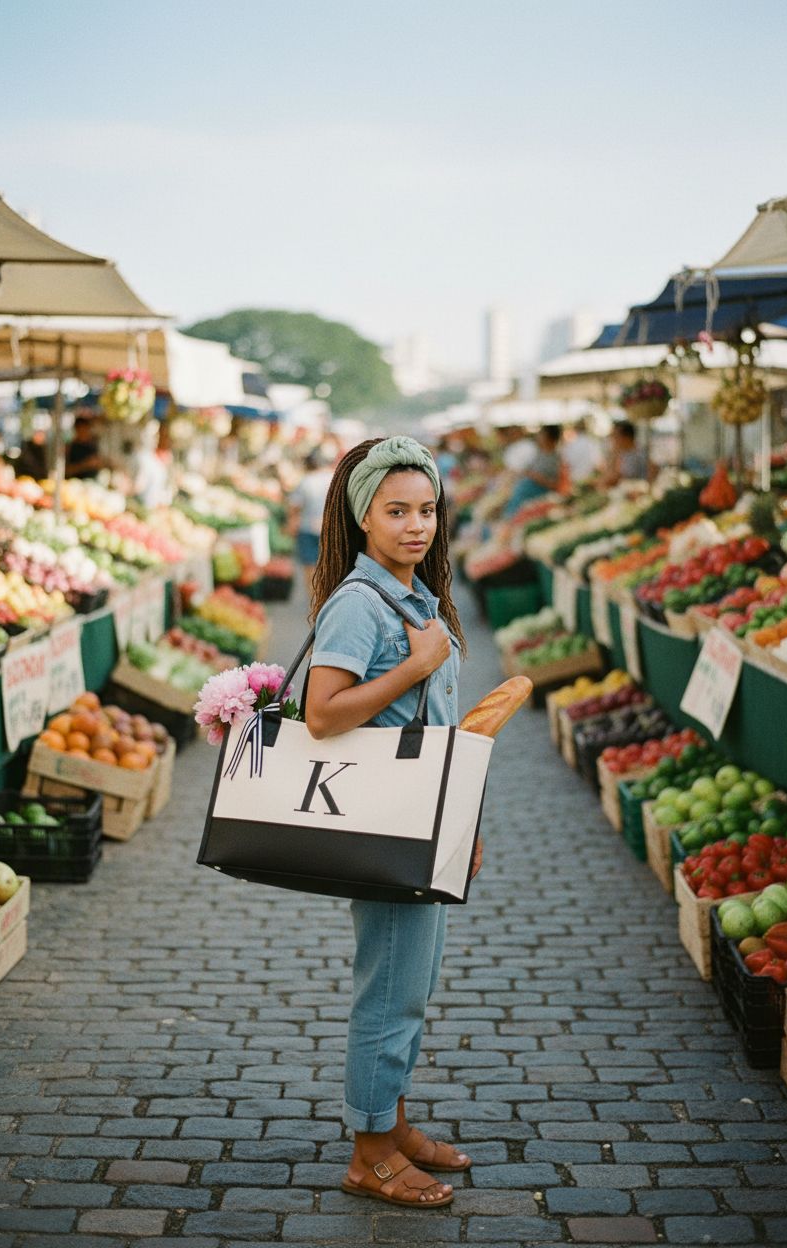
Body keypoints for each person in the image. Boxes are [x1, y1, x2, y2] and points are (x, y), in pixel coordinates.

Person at [304, 435, 475, 1209]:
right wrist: (413, 665)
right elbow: (321, 715)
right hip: (382, 827)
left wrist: (463, 825)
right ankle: (369, 1153)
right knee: (390, 990)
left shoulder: (413, 598)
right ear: (362, 515)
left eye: (428, 508)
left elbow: (438, 729)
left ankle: (393, 1121)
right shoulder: (359, 604)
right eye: (396, 510)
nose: (416, 524)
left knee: (414, 980)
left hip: (420, 820)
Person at [288, 447, 336, 595]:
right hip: (330, 529)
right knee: (330, 564)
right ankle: (328, 597)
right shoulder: (334, 478)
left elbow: (295, 506)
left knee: (309, 566)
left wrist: (291, 523)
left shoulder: (306, 481)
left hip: (307, 528)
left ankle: (313, 599)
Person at [504, 424, 562, 516]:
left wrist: (535, 476)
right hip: (524, 491)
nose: (537, 436)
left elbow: (555, 485)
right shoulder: (540, 453)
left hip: (536, 494)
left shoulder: (554, 458)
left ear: (548, 437)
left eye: (541, 434)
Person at [601, 420, 651, 486]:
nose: (613, 439)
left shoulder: (639, 454)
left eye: (615, 436)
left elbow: (614, 478)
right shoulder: (624, 453)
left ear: (626, 437)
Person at [561, 418, 602, 484]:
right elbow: (598, 464)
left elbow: (564, 463)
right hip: (589, 480)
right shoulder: (593, 443)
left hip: (573, 480)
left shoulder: (570, 444)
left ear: (576, 429)